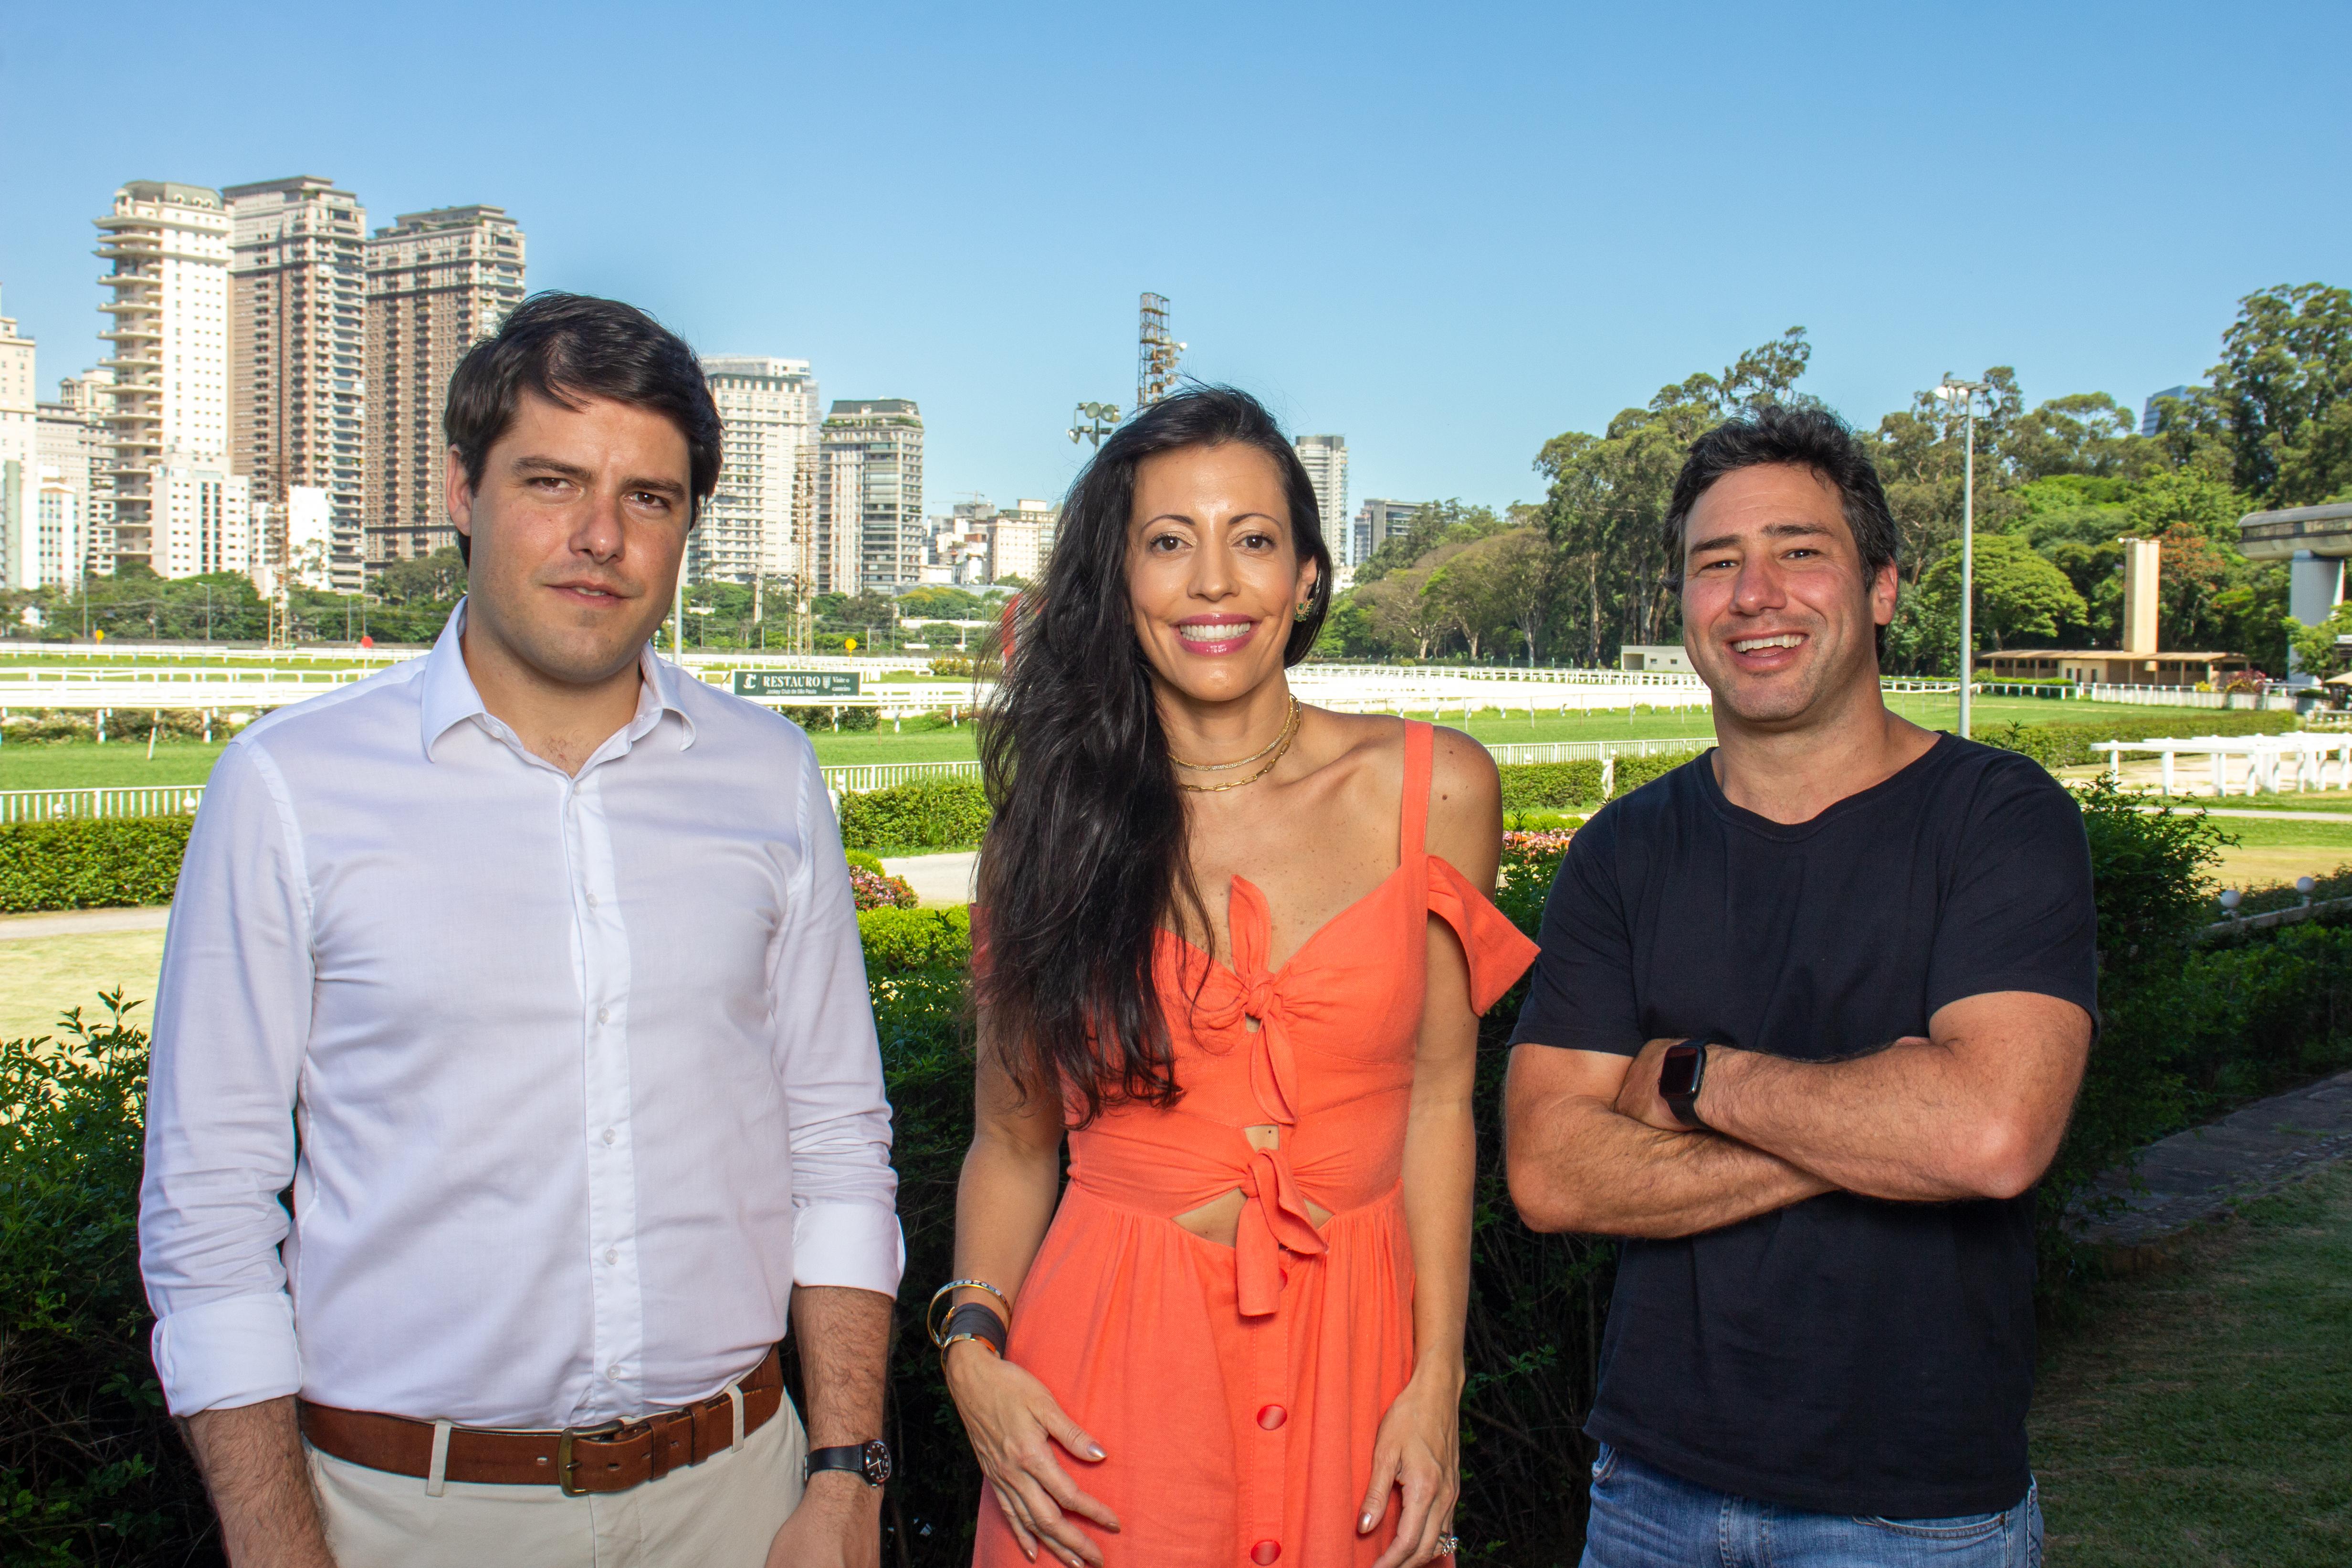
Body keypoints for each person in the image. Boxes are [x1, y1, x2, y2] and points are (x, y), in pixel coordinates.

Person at [138, 293, 902, 1568]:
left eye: (649, 498)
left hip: (747, 1496)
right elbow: (209, 1210)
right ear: (461, 488)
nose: (600, 535)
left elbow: (835, 1140)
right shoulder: (288, 785)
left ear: (687, 526)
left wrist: (848, 1470)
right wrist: (277, 1546)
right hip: (404, 1514)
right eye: (552, 479)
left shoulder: (772, 776)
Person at [942, 388, 1536, 1568]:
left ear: (1308, 575)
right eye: (1169, 542)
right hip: (1101, 1396)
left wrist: (1435, 1382)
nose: (1214, 581)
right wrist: (971, 1357)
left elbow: (1436, 1106)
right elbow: (1012, 1144)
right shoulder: (1047, 831)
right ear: (1119, 580)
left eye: (1252, 539)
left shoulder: (1436, 791)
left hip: (1356, 1378)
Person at [1503, 406, 2097, 1567]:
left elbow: (1988, 1133)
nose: (1754, 592)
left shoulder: (2001, 818)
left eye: (1799, 551)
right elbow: (1548, 1171)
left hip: (1915, 1512)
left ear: (1880, 586)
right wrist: (1878, 1122)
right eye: (1715, 563)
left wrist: (1690, 1074)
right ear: (1682, 604)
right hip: (1645, 1492)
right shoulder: (1622, 850)